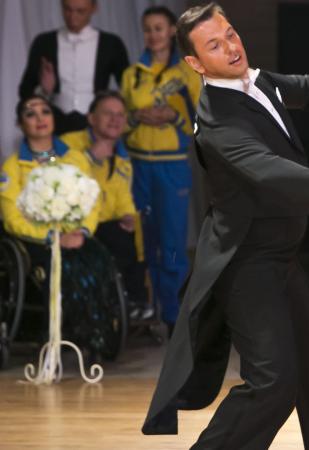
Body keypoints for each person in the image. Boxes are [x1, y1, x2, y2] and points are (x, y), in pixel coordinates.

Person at [141, 4, 309, 449]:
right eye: (214, 45)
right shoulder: (216, 120)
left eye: (230, 34)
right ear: (194, 62)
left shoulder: (257, 81)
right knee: (274, 381)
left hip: (279, 255)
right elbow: (268, 169)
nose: (230, 47)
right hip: (244, 262)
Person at [0, 94, 121, 358]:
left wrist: (82, 231)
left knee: (99, 261)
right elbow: (12, 218)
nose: (40, 118)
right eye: (31, 114)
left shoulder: (75, 158)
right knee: (64, 266)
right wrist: (52, 236)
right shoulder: (13, 166)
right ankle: (66, 334)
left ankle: (97, 333)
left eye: (45, 111)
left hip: (76, 234)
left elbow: (92, 200)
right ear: (21, 124)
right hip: (37, 241)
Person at [120, 6, 202, 334]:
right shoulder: (132, 74)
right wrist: (136, 117)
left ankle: (174, 316)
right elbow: (116, 122)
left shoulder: (186, 73)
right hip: (137, 166)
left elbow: (202, 122)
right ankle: (147, 312)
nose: (153, 35)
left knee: (170, 243)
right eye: (148, 29)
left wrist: (173, 118)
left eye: (159, 28)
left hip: (172, 167)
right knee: (143, 241)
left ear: (171, 32)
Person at [60, 91, 147, 321]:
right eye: (108, 113)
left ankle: (132, 303)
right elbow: (61, 181)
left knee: (136, 234)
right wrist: (90, 157)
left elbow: (122, 195)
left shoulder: (122, 156)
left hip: (104, 223)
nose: (115, 119)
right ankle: (113, 306)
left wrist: (127, 215)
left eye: (120, 115)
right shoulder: (69, 143)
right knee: (116, 243)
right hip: (73, 223)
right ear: (91, 118)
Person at [18, 0, 129, 134]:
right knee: (47, 156)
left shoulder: (111, 44)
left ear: (94, 8)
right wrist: (44, 92)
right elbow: (25, 91)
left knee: (94, 156)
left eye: (80, 11)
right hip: (52, 130)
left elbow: (127, 89)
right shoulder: (44, 43)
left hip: (97, 131)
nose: (72, 17)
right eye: (67, 9)